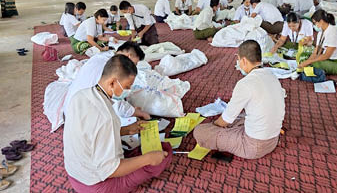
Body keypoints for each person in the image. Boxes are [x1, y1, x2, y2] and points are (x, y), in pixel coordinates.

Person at [64, 54, 172, 193]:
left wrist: (124, 130)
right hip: (94, 185)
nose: (127, 91)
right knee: (163, 154)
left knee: (142, 151)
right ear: (112, 83)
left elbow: (89, 132)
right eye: (127, 86)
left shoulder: (81, 95)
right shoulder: (106, 117)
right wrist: (148, 159)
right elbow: (111, 170)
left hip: (74, 173)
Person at [193, 40, 285, 159]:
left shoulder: (245, 84)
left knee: (200, 131)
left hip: (253, 146)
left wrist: (214, 126)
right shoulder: (272, 76)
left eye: (238, 60)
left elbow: (226, 120)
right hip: (273, 140)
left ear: (244, 60)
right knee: (242, 116)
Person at [63, 41, 150, 120]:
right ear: (128, 56)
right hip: (81, 116)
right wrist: (137, 112)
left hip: (72, 107)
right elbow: (117, 104)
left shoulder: (102, 56)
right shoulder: (111, 67)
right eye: (133, 64)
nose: (132, 67)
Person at [298, 10, 337, 75]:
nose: (314, 25)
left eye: (315, 23)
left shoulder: (334, 32)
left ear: (321, 21)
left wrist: (309, 62)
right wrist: (307, 61)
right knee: (305, 57)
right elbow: (316, 52)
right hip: (328, 60)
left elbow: (327, 55)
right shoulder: (321, 32)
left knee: (314, 64)